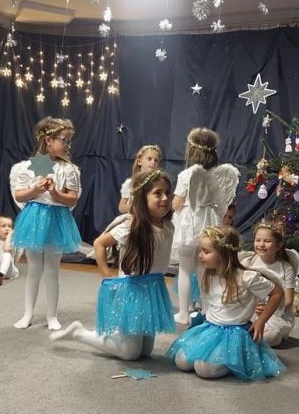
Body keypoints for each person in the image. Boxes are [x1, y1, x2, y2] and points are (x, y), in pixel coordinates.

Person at [50, 170, 175, 361]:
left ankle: (119, 335)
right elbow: (99, 243)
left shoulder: (168, 226)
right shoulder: (132, 225)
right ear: (142, 197)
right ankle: (79, 333)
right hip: (133, 290)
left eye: (167, 192)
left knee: (145, 352)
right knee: (130, 353)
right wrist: (106, 273)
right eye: (157, 193)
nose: (165, 198)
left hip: (152, 288)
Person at [166, 226, 286, 380]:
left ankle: (235, 361)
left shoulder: (246, 277)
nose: (200, 255)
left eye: (206, 252)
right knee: (181, 361)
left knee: (204, 369)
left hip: (234, 334)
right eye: (201, 250)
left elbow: (277, 293)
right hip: (210, 328)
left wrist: (261, 321)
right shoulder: (210, 273)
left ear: (223, 253)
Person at [10, 117, 81, 330]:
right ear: (49, 140)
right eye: (64, 140)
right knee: (34, 269)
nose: (68, 145)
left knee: (52, 270)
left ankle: (52, 316)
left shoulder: (69, 169)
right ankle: (27, 313)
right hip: (34, 219)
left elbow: (73, 199)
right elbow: (19, 195)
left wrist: (55, 193)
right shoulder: (28, 167)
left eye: (69, 141)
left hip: (57, 220)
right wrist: (34, 190)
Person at [171, 127, 240, 324]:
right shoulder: (219, 174)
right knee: (206, 268)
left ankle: (184, 313)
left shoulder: (187, 174)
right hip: (209, 220)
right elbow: (222, 203)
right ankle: (208, 310)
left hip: (189, 222)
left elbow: (176, 204)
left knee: (185, 269)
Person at [239, 223, 299, 347]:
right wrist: (252, 307)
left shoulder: (286, 268)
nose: (261, 244)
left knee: (271, 338)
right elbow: (239, 291)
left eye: (267, 241)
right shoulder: (247, 262)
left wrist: (268, 308)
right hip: (249, 309)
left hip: (275, 313)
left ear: (278, 245)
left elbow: (288, 301)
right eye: (258, 240)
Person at [118, 144, 162, 214]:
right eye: (149, 159)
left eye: (156, 160)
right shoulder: (130, 183)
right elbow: (121, 207)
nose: (153, 162)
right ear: (139, 162)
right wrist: (136, 207)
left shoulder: (160, 183)